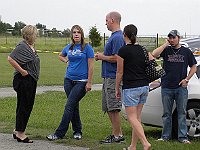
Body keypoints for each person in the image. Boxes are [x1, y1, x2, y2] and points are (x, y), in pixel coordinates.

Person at [46, 25, 94, 141]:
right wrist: (65, 60)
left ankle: (59, 134)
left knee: (69, 106)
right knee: (73, 106)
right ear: (71, 35)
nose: (76, 34)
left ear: (82, 34)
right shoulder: (69, 47)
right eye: (74, 32)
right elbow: (61, 55)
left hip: (81, 82)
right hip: (68, 80)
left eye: (78, 32)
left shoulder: (87, 48)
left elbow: (91, 66)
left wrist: (89, 83)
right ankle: (77, 131)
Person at [152, 30, 197, 144]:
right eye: (170, 38)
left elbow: (194, 67)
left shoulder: (186, 52)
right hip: (166, 86)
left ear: (179, 38)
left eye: (173, 38)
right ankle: (165, 136)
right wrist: (165, 44)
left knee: (181, 113)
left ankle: (183, 137)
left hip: (181, 88)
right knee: (166, 114)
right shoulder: (166, 50)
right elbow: (154, 54)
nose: (171, 40)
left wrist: (186, 79)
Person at [115, 24, 151, 150]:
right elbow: (151, 60)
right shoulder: (143, 49)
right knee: (137, 118)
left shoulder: (122, 50)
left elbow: (119, 72)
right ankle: (133, 146)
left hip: (131, 88)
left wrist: (116, 88)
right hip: (144, 87)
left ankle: (145, 143)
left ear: (124, 34)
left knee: (132, 118)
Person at [95, 11, 125, 144]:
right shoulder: (114, 36)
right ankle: (116, 133)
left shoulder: (118, 37)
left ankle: (117, 136)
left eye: (106, 20)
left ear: (112, 20)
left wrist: (102, 57)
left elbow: (117, 58)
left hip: (114, 77)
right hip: (107, 77)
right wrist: (103, 55)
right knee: (108, 107)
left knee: (114, 107)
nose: (105, 23)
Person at [8, 25, 40, 143]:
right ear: (30, 34)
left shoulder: (30, 46)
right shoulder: (22, 46)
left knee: (24, 105)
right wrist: (22, 71)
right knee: (25, 106)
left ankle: (17, 130)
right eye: (35, 34)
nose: (37, 36)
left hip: (30, 79)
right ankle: (21, 133)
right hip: (24, 80)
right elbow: (10, 58)